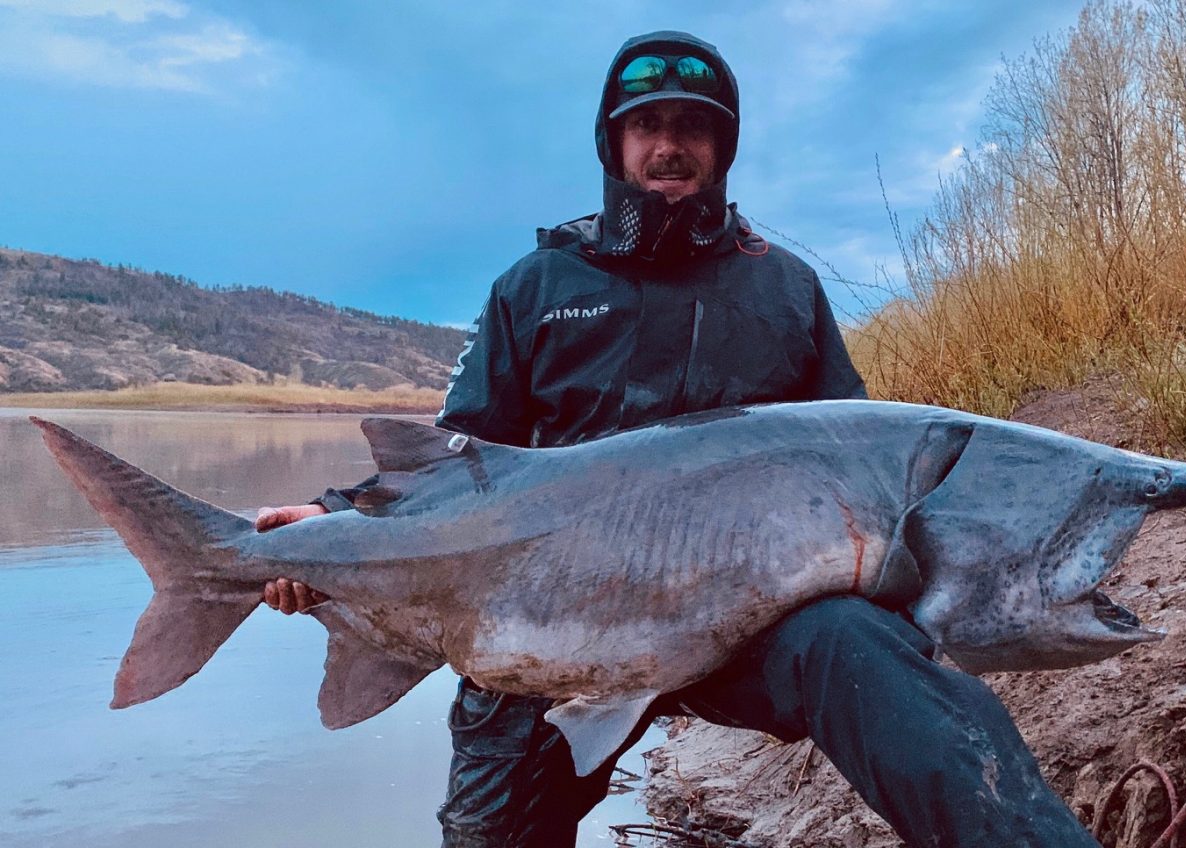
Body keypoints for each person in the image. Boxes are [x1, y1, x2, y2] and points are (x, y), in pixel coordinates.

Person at [256, 30, 1101, 848]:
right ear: (613, 142)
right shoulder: (535, 286)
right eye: (648, 125)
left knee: (869, 652)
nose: (669, 145)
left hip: (754, 624)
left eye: (693, 126)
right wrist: (331, 519)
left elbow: (869, 462)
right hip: (555, 624)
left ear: (722, 147)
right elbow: (453, 460)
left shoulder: (785, 287)